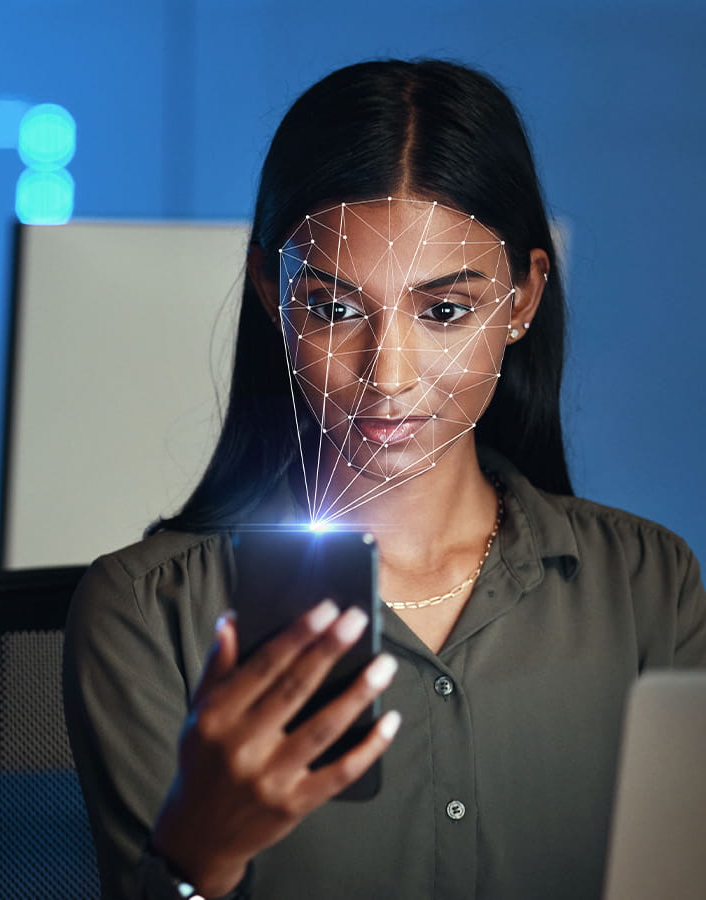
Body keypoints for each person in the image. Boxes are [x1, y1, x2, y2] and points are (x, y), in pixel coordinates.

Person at [62, 59, 706, 900]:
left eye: (444, 311)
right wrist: (197, 859)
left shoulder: (647, 584)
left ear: (523, 297)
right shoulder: (150, 612)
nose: (389, 376)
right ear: (272, 296)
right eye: (334, 308)